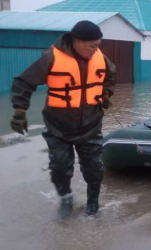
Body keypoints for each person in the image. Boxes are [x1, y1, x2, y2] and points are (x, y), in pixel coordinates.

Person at [10, 21, 116, 217]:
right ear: (77, 41)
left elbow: (110, 75)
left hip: (91, 124)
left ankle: (93, 204)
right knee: (60, 166)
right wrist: (19, 111)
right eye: (92, 45)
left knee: (94, 169)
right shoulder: (51, 58)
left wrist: (105, 94)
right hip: (58, 127)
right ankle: (66, 200)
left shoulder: (99, 57)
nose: (96, 50)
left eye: (98, 45)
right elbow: (23, 82)